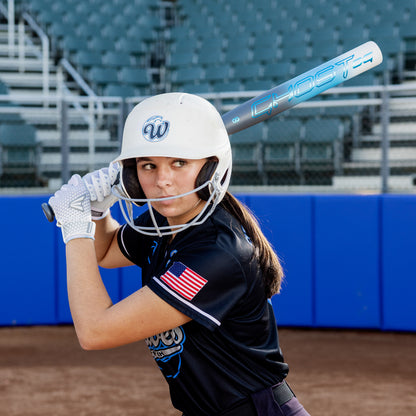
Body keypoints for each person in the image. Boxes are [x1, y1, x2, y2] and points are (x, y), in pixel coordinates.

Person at [48, 92, 311, 416]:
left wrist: (74, 227)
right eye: (148, 165)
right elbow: (104, 252)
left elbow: (94, 331)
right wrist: (98, 210)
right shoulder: (164, 222)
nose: (162, 181)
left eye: (179, 163)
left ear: (209, 168)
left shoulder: (217, 254)